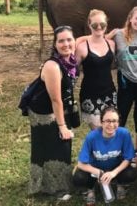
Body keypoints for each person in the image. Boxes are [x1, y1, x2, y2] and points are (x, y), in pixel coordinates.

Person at [28, 25, 77, 199]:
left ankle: (56, 182)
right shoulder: (53, 66)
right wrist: (62, 125)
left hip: (60, 108)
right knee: (54, 146)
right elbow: (55, 99)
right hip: (43, 112)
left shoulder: (70, 61)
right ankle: (54, 189)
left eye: (69, 39)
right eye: (61, 41)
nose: (66, 44)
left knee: (62, 146)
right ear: (55, 44)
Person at [73, 107, 137, 206]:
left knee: (131, 173)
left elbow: (128, 159)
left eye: (114, 121)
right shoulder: (92, 137)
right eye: (107, 121)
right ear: (101, 122)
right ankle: (90, 189)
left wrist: (113, 173)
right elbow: (81, 164)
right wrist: (98, 172)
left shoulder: (124, 134)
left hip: (115, 168)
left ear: (119, 122)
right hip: (96, 169)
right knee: (79, 177)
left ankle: (120, 184)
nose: (111, 125)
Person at [106, 6, 137, 130]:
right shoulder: (118, 34)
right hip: (126, 79)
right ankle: (117, 144)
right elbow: (100, 40)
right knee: (121, 114)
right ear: (130, 18)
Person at [75, 9, 116, 129]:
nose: (99, 27)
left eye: (102, 24)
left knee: (110, 129)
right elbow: (73, 70)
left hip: (109, 93)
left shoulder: (111, 44)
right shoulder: (82, 47)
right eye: (95, 25)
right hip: (90, 95)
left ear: (106, 25)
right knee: (98, 132)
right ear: (89, 25)